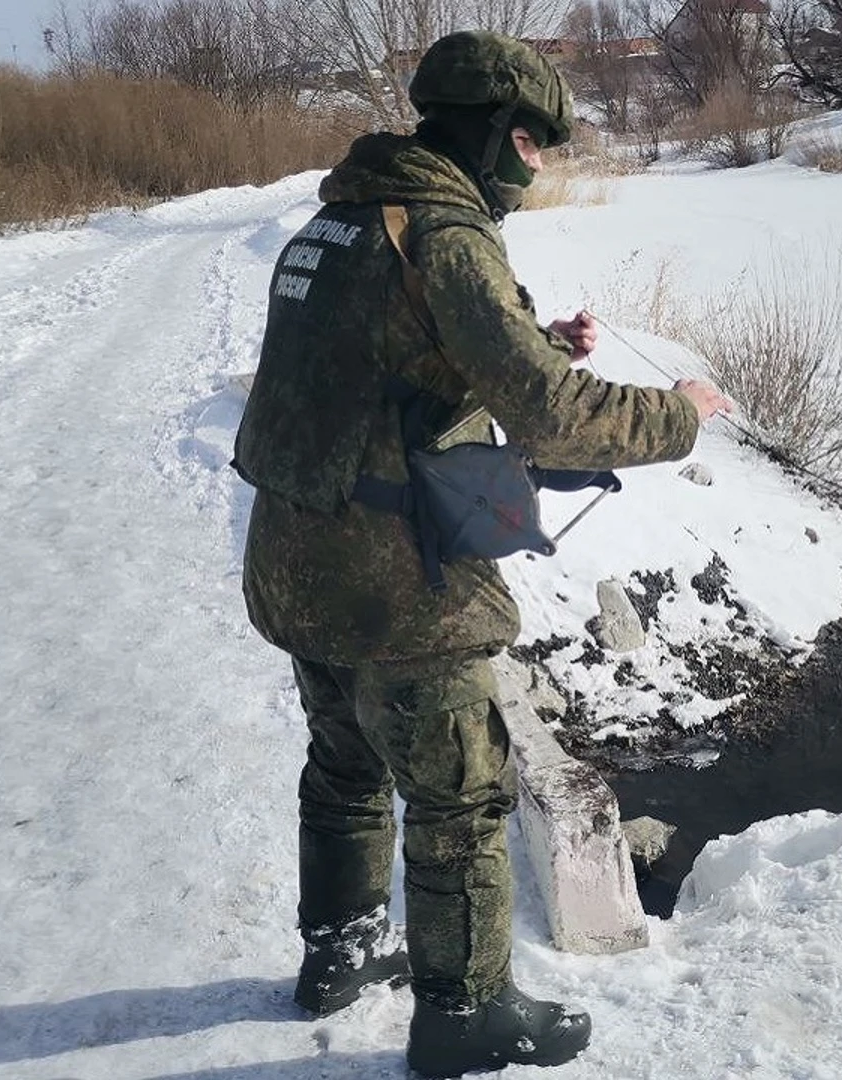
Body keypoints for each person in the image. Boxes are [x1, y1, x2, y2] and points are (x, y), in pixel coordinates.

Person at [229, 29, 731, 1079]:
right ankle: (465, 1018)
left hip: (295, 558)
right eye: (537, 144)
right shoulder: (450, 235)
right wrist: (679, 414)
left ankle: (341, 960)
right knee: (461, 796)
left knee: (345, 767)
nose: (540, 166)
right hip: (396, 583)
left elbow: (392, 359)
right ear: (501, 133)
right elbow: (554, 423)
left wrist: (533, 335)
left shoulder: (344, 217)